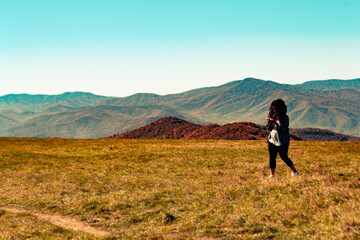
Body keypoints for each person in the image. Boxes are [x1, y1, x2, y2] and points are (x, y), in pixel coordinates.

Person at [266, 99, 299, 178]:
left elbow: (283, 129)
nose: (274, 110)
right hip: (272, 139)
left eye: (275, 109)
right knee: (272, 157)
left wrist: (275, 123)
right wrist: (268, 124)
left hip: (283, 141)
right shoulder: (272, 116)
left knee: (284, 156)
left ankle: (294, 171)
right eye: (273, 109)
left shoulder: (285, 118)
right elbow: (269, 129)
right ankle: (272, 174)